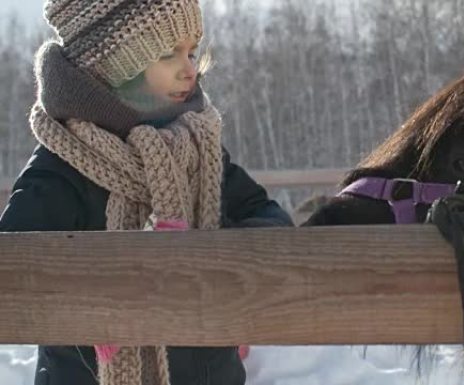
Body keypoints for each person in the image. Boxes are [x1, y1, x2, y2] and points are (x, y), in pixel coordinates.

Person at [0, 1, 293, 385]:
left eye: (191, 51)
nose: (189, 68)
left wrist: (217, 265)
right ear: (116, 66)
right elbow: (15, 269)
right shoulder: (65, 164)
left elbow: (270, 220)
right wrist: (113, 300)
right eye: (168, 54)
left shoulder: (198, 148)